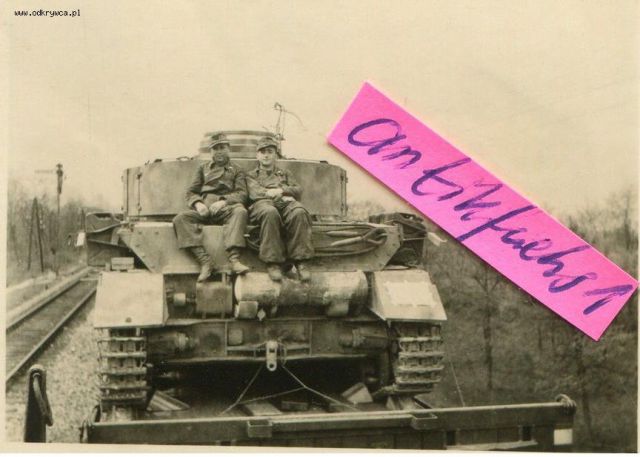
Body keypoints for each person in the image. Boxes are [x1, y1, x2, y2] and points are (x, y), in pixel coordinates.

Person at [173, 133, 250, 281]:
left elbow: (242, 194)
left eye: (222, 147)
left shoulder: (237, 169)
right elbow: (191, 192)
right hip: (205, 209)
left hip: (226, 209)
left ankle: (234, 259)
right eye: (215, 148)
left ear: (228, 149)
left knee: (240, 212)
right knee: (180, 219)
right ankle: (205, 262)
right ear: (211, 151)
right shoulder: (203, 169)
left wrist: (223, 201)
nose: (219, 151)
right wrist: (198, 204)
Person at [246, 136, 314, 282]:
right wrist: (280, 195)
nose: (266, 155)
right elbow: (254, 193)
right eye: (263, 152)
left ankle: (301, 261)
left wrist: (281, 191)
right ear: (257, 155)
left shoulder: (285, 173)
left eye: (270, 152)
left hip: (284, 203)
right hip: (262, 204)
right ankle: (273, 262)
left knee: (299, 212)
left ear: (275, 155)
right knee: (270, 213)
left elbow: (298, 190)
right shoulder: (251, 175)